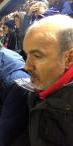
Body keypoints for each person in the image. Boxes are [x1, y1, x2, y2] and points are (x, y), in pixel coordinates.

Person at [23, 15, 73, 145]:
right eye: (26, 55)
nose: (26, 66)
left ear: (69, 58)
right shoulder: (40, 88)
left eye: (37, 56)